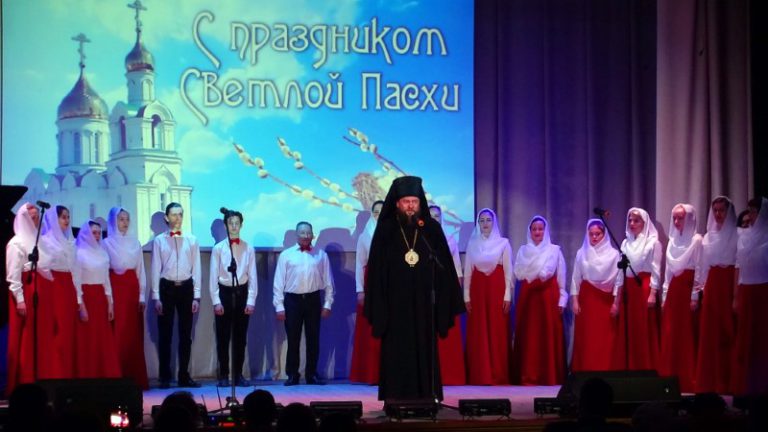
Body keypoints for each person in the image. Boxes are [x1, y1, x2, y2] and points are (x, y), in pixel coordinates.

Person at [363, 176, 464, 402]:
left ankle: (427, 397)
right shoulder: (386, 229)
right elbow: (377, 270)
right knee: (396, 350)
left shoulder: (430, 229)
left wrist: (443, 298)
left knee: (424, 348)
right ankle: (395, 399)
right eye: (406, 201)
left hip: (424, 304)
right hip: (395, 305)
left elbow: (445, 267)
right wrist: (379, 303)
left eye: (414, 202)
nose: (410, 206)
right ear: (397, 203)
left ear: (420, 203)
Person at [273, 221, 334, 386]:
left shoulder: (321, 255)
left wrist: (327, 304)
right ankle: (292, 374)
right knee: (293, 339)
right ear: (296, 235)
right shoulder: (286, 255)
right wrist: (279, 306)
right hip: (292, 300)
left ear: (313, 235)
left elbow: (328, 282)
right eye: (302, 233)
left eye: (308, 233)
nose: (306, 236)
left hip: (313, 300)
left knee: (313, 339)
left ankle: (311, 374)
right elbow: (278, 283)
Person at [5, 203, 56, 394]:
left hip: (41, 293)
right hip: (26, 292)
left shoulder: (40, 240)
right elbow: (13, 275)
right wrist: (19, 299)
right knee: (27, 338)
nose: (36, 221)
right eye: (32, 218)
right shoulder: (16, 243)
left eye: (37, 217)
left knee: (42, 338)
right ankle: (25, 381)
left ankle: (43, 379)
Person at [151, 202, 202, 388]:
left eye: (180, 214)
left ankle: (184, 376)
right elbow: (155, 268)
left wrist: (196, 296)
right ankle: (165, 376)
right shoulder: (159, 240)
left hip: (186, 288)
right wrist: (156, 297)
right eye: (174, 214)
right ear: (166, 217)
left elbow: (196, 268)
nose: (178, 218)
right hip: (167, 288)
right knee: (165, 335)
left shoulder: (192, 239)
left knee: (185, 335)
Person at [512, 215, 567, 385]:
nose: (537, 232)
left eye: (540, 229)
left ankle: (547, 375)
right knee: (530, 336)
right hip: (528, 296)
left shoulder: (554, 250)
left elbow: (561, 275)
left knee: (547, 334)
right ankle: (528, 374)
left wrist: (562, 299)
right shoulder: (523, 250)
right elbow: (518, 271)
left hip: (547, 296)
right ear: (530, 231)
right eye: (534, 229)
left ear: (545, 230)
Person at [463, 208, 513, 385]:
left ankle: (497, 374)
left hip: (496, 290)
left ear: (494, 223)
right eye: (482, 220)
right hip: (478, 291)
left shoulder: (503, 243)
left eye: (488, 220)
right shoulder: (472, 244)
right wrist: (466, 296)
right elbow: (468, 272)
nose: (485, 224)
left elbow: (508, 272)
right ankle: (480, 374)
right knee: (479, 332)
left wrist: (507, 295)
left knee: (496, 330)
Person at [694, 197, 737, 394]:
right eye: (715, 210)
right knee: (711, 333)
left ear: (729, 211)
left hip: (728, 282)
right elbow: (703, 266)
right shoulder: (707, 237)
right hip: (712, 286)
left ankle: (728, 380)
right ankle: (710, 382)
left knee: (727, 330)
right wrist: (700, 291)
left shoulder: (737, 234)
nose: (718, 214)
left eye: (722, 210)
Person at [209, 210, 257, 387]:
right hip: (224, 293)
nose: (234, 226)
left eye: (237, 223)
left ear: (241, 225)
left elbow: (252, 276)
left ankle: (238, 375)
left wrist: (251, 300)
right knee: (223, 338)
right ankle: (223, 375)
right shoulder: (218, 249)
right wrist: (216, 301)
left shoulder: (248, 248)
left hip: (241, 293)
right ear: (225, 225)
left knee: (240, 338)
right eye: (231, 223)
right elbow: (213, 276)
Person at [103, 207, 149, 389]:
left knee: (132, 333)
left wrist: (141, 295)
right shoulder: (106, 243)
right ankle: (116, 376)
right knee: (118, 333)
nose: (125, 222)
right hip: (115, 287)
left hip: (131, 289)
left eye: (127, 219)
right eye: (121, 219)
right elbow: (103, 270)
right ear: (114, 221)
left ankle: (134, 377)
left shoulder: (135, 242)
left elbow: (140, 270)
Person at [659, 203, 702, 392]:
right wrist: (664, 296)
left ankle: (687, 377)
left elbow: (700, 268)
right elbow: (668, 272)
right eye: (674, 218)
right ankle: (670, 376)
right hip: (674, 292)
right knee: (671, 333)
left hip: (687, 289)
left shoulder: (697, 240)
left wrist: (694, 295)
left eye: (680, 218)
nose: (676, 221)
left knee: (686, 333)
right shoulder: (672, 241)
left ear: (689, 218)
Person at [613, 207, 662, 371]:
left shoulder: (653, 243)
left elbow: (656, 270)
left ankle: (645, 367)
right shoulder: (625, 243)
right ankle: (629, 367)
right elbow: (620, 272)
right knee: (629, 329)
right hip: (629, 290)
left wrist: (653, 293)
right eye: (630, 220)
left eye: (636, 220)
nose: (632, 223)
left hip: (643, 288)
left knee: (643, 329)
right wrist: (616, 299)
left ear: (644, 222)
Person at [570, 219, 621, 372]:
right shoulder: (582, 253)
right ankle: (585, 371)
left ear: (604, 234)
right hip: (587, 300)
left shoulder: (614, 254)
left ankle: (605, 371)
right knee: (587, 338)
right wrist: (575, 301)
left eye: (598, 234)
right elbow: (575, 278)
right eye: (591, 234)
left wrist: (616, 303)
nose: (594, 237)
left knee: (604, 338)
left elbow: (618, 281)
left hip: (606, 300)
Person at [74, 220, 120, 378]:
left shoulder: (103, 253)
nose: (97, 236)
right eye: (94, 232)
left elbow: (106, 280)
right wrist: (81, 306)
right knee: (88, 339)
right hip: (87, 297)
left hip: (100, 298)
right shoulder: (79, 253)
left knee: (102, 339)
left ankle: (104, 375)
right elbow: (76, 281)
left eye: (99, 233)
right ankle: (88, 375)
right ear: (86, 233)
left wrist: (110, 304)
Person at [732, 197, 768, 396]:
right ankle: (745, 387)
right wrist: (736, 296)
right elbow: (739, 266)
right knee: (746, 340)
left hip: (764, 290)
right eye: (750, 210)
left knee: (762, 339)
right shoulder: (743, 236)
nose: (751, 215)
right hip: (747, 290)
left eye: (755, 211)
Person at [40, 205, 79, 379]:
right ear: (54, 219)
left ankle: (67, 374)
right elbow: (42, 266)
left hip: (68, 287)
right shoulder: (46, 241)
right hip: (54, 287)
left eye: (68, 216)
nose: (67, 220)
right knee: (57, 332)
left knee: (68, 332)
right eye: (63, 217)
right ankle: (55, 374)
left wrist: (79, 297)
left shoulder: (71, 241)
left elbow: (75, 270)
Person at [430, 204, 467, 386]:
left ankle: (450, 374)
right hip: (426, 290)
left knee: (447, 329)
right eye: (430, 216)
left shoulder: (450, 239)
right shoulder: (417, 237)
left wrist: (456, 291)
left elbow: (457, 267)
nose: (434, 219)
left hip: (445, 289)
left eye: (437, 216)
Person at [349, 200, 384, 384]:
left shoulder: (397, 232)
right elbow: (360, 264)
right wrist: (360, 290)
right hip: (372, 282)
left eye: (382, 211)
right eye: (376, 212)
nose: (379, 215)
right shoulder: (365, 236)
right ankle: (372, 373)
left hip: (393, 284)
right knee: (373, 328)